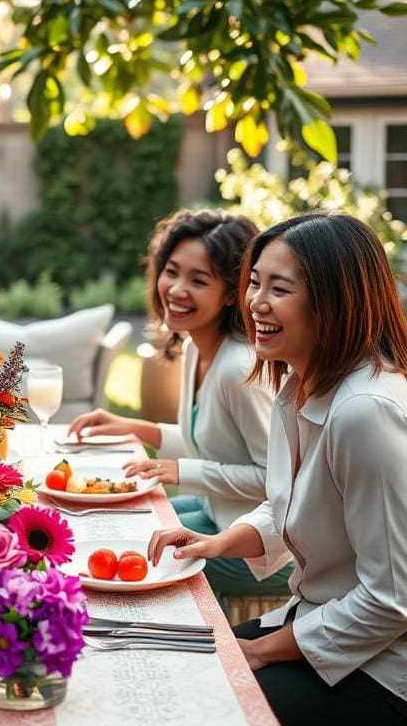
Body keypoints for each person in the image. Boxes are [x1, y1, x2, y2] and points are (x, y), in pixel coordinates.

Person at [149, 212, 407, 726]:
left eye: (279, 289)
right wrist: (217, 542)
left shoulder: (365, 412)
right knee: (175, 665)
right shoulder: (298, 387)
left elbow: (391, 601)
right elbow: (290, 503)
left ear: (335, 301)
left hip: (384, 663)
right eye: (254, 283)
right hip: (320, 619)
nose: (255, 303)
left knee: (203, 707)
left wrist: (262, 651)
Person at [69, 209, 290, 599]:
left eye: (198, 280)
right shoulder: (195, 347)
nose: (176, 289)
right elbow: (213, 440)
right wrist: (135, 428)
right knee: (119, 524)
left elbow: (277, 480)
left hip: (261, 551)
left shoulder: (238, 368)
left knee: (132, 561)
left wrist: (180, 470)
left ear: (231, 293)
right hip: (216, 513)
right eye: (171, 272)